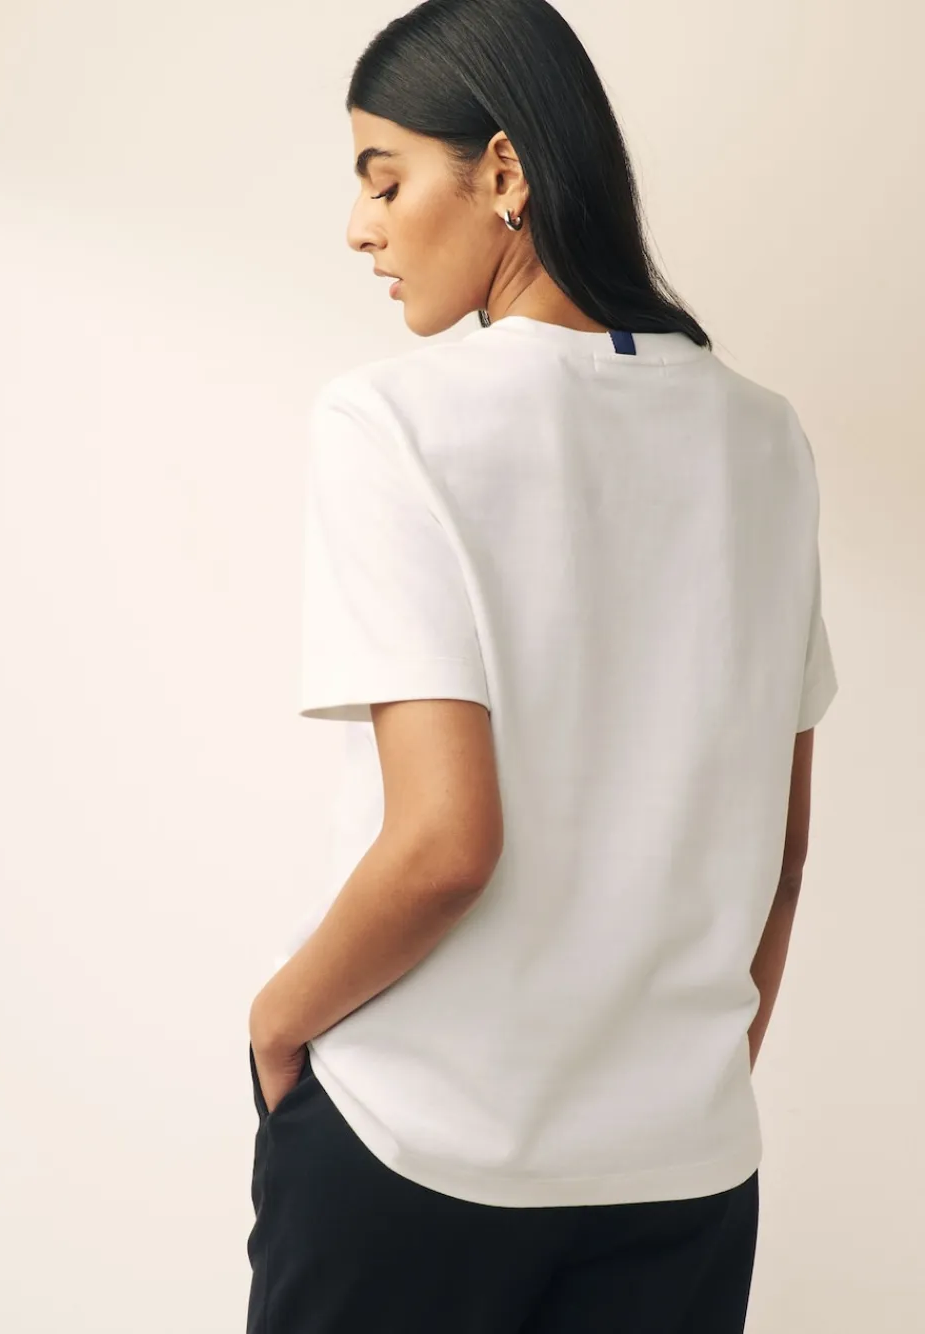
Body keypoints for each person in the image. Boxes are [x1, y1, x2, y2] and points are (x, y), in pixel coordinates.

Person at [245, 1, 839, 1330]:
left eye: (385, 179)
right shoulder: (766, 440)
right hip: (683, 1174)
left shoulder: (393, 421)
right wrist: (688, 1089)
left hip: (415, 1150)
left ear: (503, 170)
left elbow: (446, 845)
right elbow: (784, 852)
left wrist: (277, 1024)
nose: (361, 229)